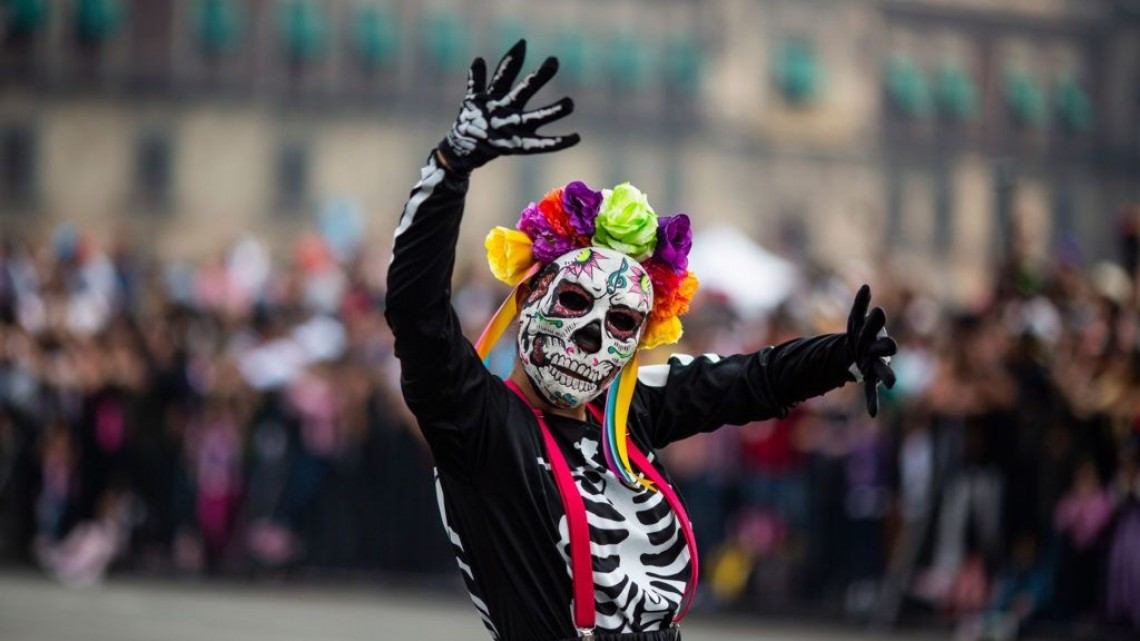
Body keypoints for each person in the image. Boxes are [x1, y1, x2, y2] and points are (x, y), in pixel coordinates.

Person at [384, 41, 897, 641]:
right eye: (575, 301)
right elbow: (417, 313)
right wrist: (450, 168)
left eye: (623, 322)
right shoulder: (479, 425)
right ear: (529, 299)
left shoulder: (626, 414)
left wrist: (841, 356)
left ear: (640, 337)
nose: (593, 334)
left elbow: (745, 382)